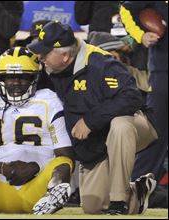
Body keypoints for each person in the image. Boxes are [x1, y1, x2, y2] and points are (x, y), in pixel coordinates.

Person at [28, 21, 158, 215]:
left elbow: (131, 98)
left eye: (45, 54)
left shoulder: (102, 63)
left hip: (135, 125)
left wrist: (90, 121)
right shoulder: (52, 69)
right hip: (97, 139)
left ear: (64, 56)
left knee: (119, 125)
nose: (41, 58)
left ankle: (118, 201)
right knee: (93, 206)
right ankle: (136, 193)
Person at [0, 47, 75, 214]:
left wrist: (37, 167)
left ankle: (51, 198)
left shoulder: (50, 100)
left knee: (63, 164)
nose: (15, 82)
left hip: (37, 187)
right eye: (9, 77)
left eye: (23, 77)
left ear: (34, 78)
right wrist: (0, 167)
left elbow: (65, 153)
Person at [120, 1, 168, 184]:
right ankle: (137, 186)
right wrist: (141, 35)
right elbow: (125, 9)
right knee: (156, 129)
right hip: (163, 68)